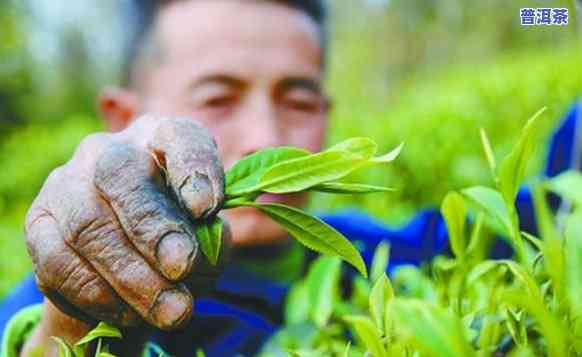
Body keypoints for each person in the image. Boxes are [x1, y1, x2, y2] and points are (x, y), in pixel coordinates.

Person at [0, 0, 577, 356]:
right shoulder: (55, 301)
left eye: (298, 99)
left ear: (328, 110)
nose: (265, 135)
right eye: (218, 98)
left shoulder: (386, 257)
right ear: (125, 119)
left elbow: (550, 210)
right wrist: (74, 324)